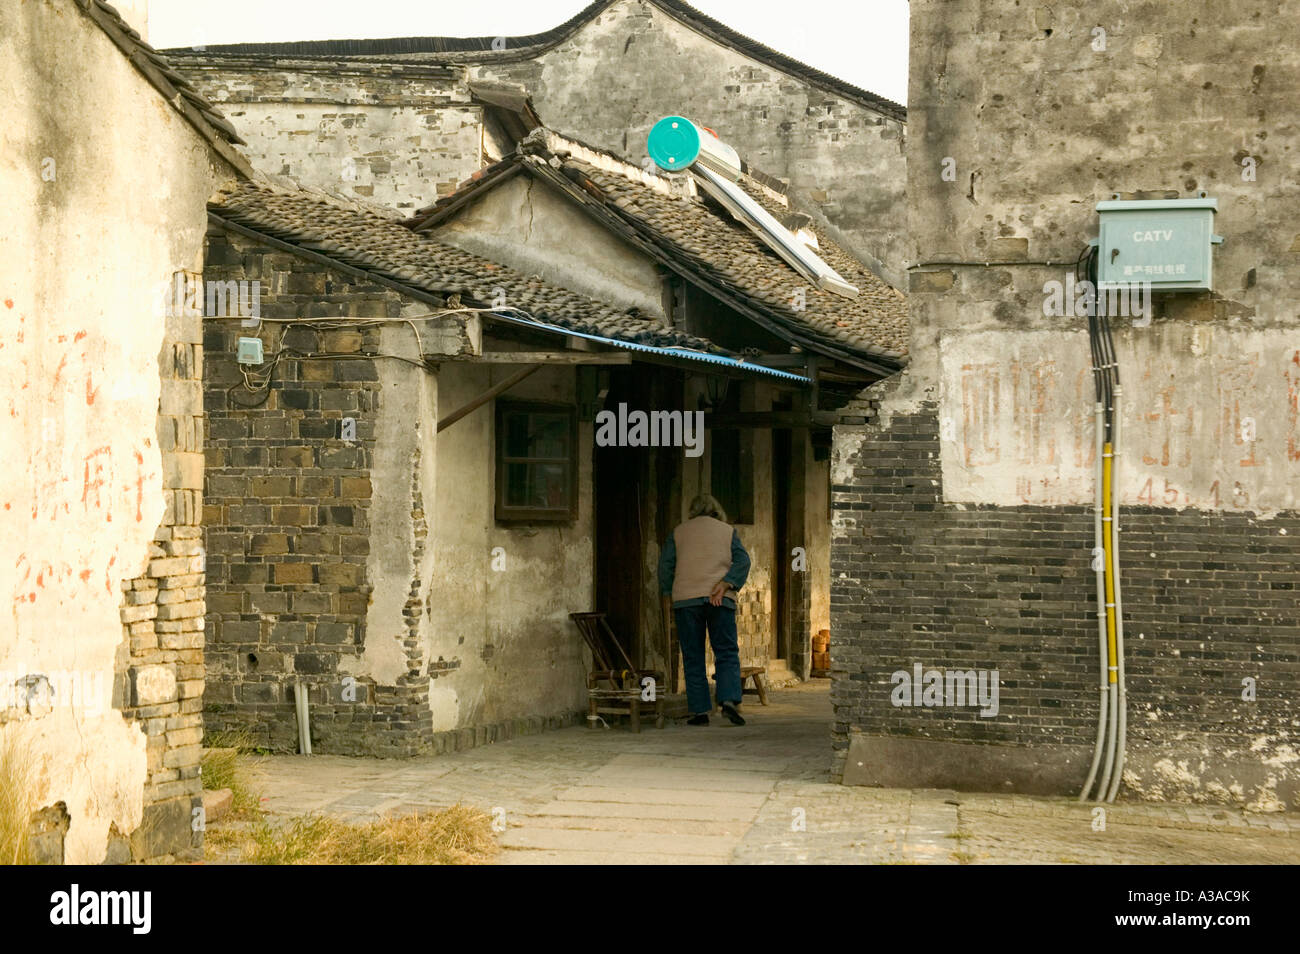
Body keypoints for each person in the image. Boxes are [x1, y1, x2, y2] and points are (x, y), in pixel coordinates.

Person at [658, 493, 751, 726]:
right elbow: (743, 561)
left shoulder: (678, 532)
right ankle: (728, 700)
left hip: (687, 600)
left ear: (692, 511)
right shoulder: (727, 531)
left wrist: (669, 594)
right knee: (727, 651)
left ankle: (699, 712)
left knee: (693, 656)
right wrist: (726, 583)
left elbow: (665, 566)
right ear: (716, 510)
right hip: (719, 599)